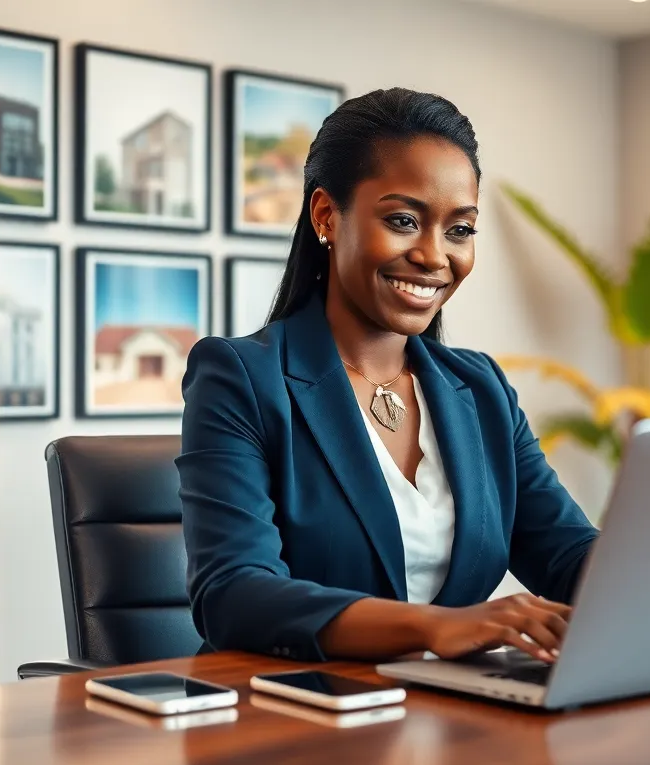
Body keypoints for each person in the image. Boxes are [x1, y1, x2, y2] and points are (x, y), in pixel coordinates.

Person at [177, 87, 599, 665]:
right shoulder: (241, 377)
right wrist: (433, 627)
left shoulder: (479, 389)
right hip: (295, 717)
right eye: (404, 221)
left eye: (460, 230)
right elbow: (233, 593)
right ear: (326, 215)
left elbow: (566, 552)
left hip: (451, 719)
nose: (433, 256)